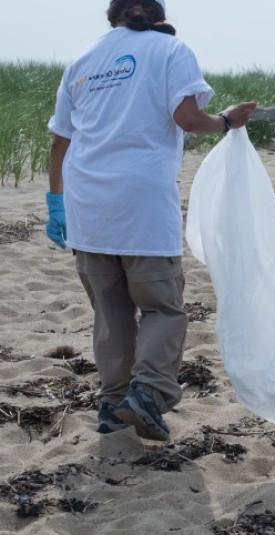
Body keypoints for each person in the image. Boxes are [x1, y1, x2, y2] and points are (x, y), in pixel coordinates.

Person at [45, 0, 257, 441]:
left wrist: (56, 203)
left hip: (88, 207)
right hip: (141, 204)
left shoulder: (82, 61)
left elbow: (60, 143)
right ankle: (148, 394)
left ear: (114, 15)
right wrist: (226, 121)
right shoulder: (171, 50)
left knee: (111, 311)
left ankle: (111, 403)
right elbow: (187, 119)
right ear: (156, 17)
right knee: (162, 307)